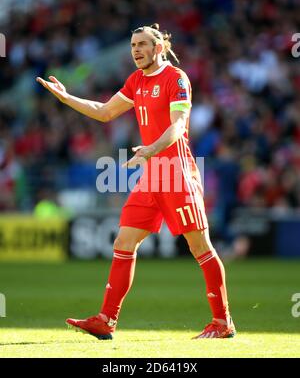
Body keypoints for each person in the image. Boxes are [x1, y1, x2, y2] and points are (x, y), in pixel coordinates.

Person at [36, 23, 236, 339]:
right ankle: (106, 320)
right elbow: (104, 112)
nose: (136, 51)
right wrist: (66, 98)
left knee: (200, 247)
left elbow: (179, 126)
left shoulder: (176, 79)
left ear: (159, 48)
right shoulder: (136, 81)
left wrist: (151, 149)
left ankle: (223, 323)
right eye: (132, 45)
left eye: (142, 44)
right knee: (124, 243)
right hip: (151, 176)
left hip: (176, 174)